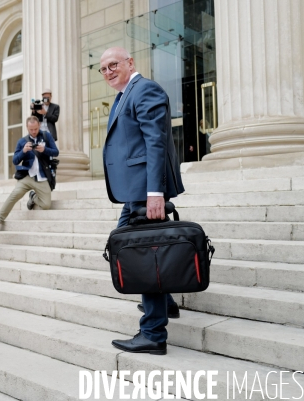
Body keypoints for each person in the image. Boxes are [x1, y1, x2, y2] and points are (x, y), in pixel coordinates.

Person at [98, 47, 184, 355]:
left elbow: (155, 141)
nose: (108, 71)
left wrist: (155, 192)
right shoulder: (123, 96)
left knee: (141, 256)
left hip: (144, 192)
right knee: (143, 252)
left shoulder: (144, 88)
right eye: (103, 68)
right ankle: (167, 302)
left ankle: (152, 333)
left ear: (130, 63)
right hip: (133, 192)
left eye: (113, 65)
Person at [0, 116, 58, 232]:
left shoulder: (46, 136)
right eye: (31, 129)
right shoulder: (22, 141)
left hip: (42, 177)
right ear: (27, 127)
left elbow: (56, 152)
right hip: (27, 177)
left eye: (36, 129)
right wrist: (24, 151)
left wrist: (44, 150)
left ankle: (33, 197)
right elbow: (15, 160)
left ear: (39, 126)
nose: (34, 132)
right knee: (13, 196)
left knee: (46, 205)